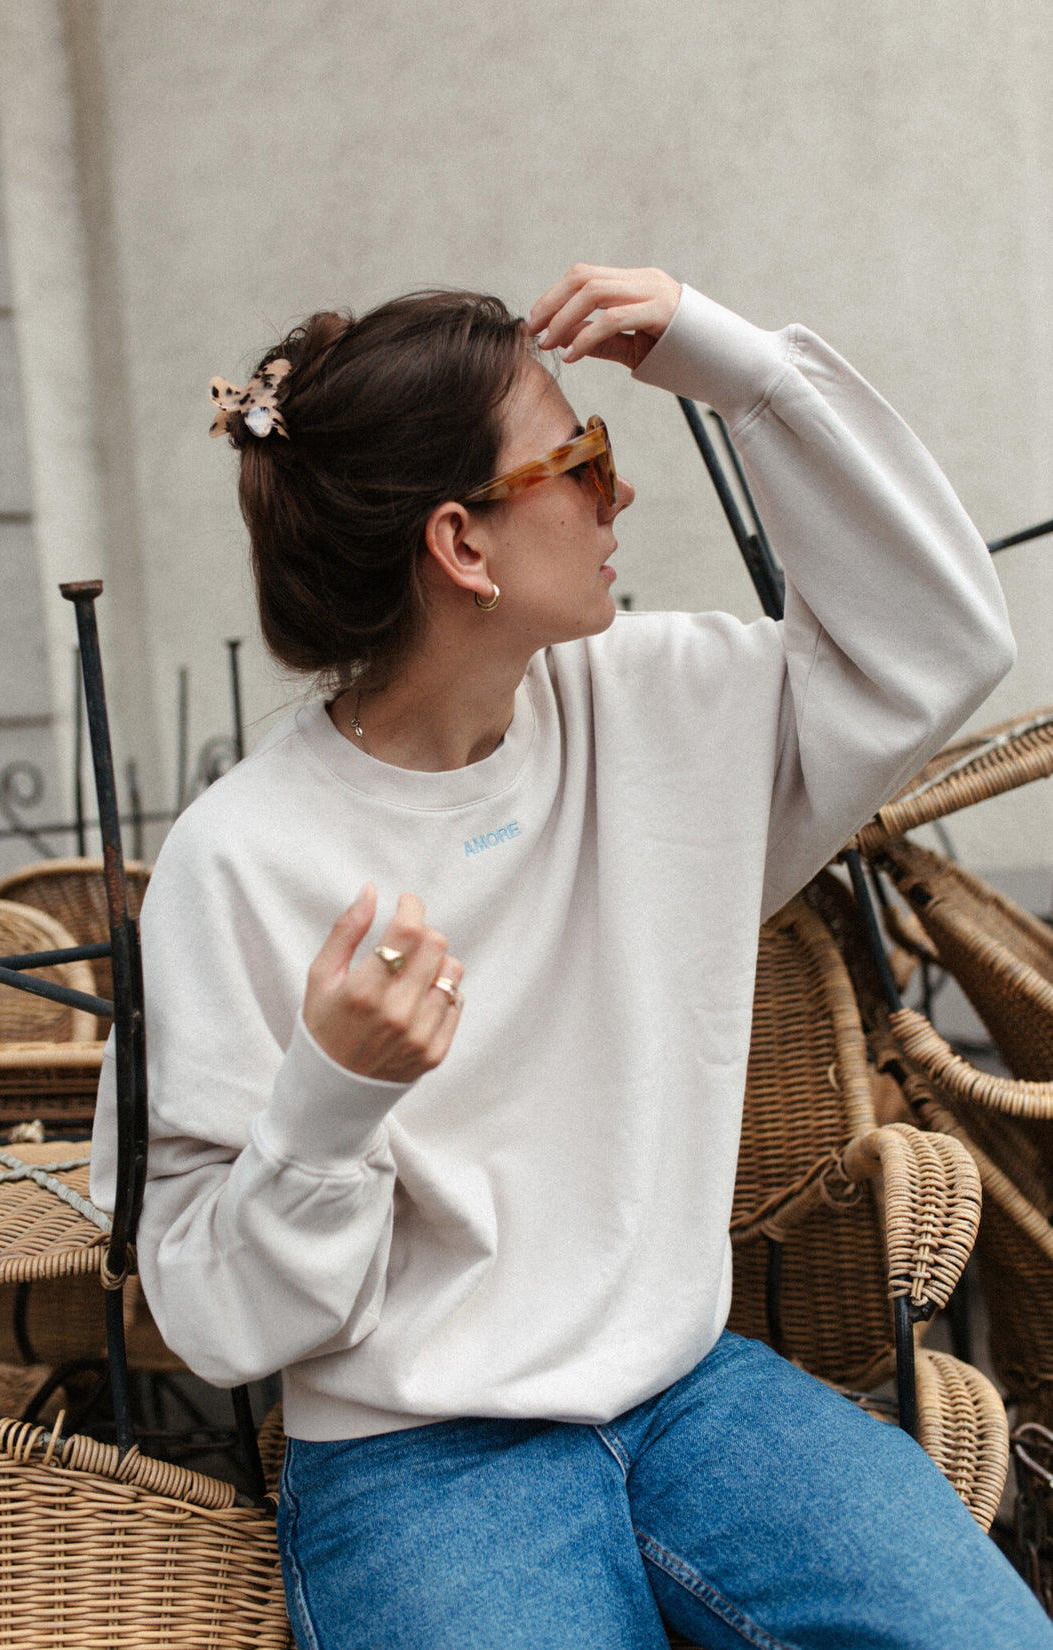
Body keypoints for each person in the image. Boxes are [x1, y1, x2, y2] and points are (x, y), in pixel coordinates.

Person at [91, 265, 1050, 1649]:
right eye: (585, 457)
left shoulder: (661, 708)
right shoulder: (238, 862)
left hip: (693, 1395)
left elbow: (943, 642)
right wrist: (328, 1102)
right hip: (419, 1461)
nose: (622, 495)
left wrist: (743, 374)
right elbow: (212, 1318)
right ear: (463, 549)